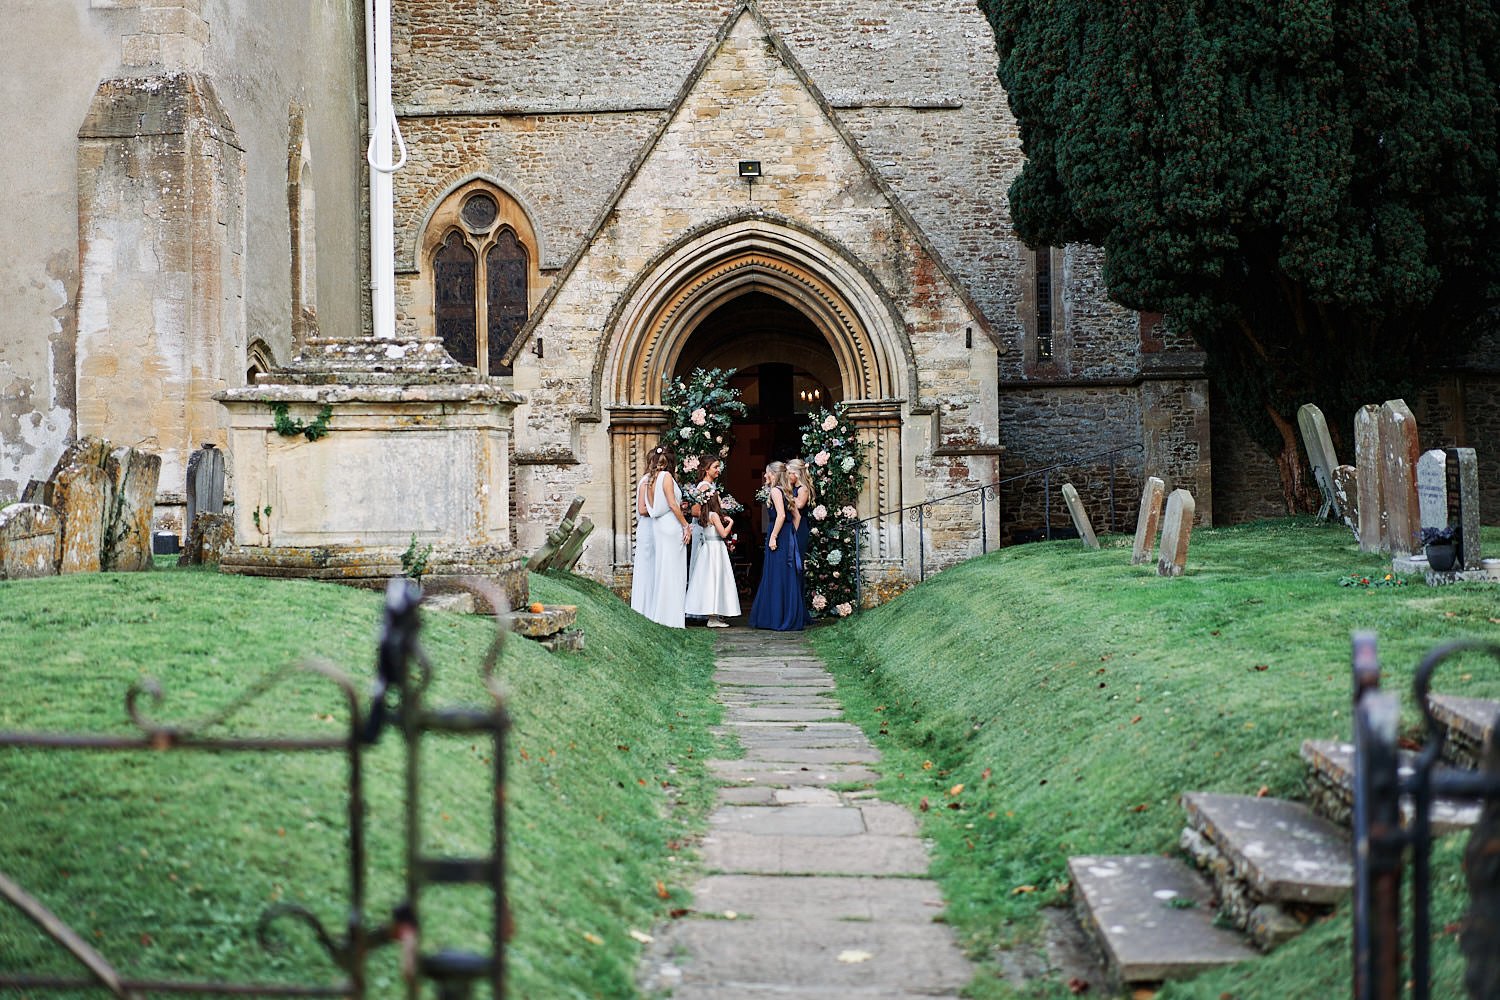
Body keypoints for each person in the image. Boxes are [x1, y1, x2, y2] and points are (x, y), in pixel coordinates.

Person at [749, 462, 806, 631]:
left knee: (776, 575)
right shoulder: (786, 491)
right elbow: (797, 517)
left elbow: (781, 515)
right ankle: (786, 615)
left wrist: (774, 536)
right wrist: (791, 534)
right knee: (785, 575)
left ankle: (776, 618)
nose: (765, 476)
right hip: (786, 535)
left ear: (773, 474)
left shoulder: (775, 491)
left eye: (767, 473)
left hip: (778, 535)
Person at [647, 444, 693, 628]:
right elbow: (672, 504)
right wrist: (686, 525)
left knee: (664, 569)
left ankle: (662, 615)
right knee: (674, 571)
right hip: (670, 526)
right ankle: (671, 618)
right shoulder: (665, 476)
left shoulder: (651, 478)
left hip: (660, 525)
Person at [685, 492, 740, 627]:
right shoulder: (714, 515)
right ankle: (713, 618)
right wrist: (731, 522)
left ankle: (713, 615)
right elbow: (724, 533)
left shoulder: (704, 515)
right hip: (716, 549)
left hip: (707, 549)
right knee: (716, 580)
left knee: (709, 581)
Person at [629, 446, 662, 619]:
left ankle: (653, 608)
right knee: (646, 567)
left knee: (654, 567)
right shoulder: (646, 481)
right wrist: (662, 510)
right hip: (647, 528)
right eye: (658, 463)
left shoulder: (655, 481)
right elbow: (642, 509)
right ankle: (643, 608)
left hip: (655, 527)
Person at [786, 458, 815, 580]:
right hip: (792, 525)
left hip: (800, 527)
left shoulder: (803, 488)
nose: (787, 476)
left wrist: (786, 495)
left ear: (796, 474)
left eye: (789, 473)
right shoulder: (792, 488)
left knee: (797, 557)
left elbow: (799, 504)